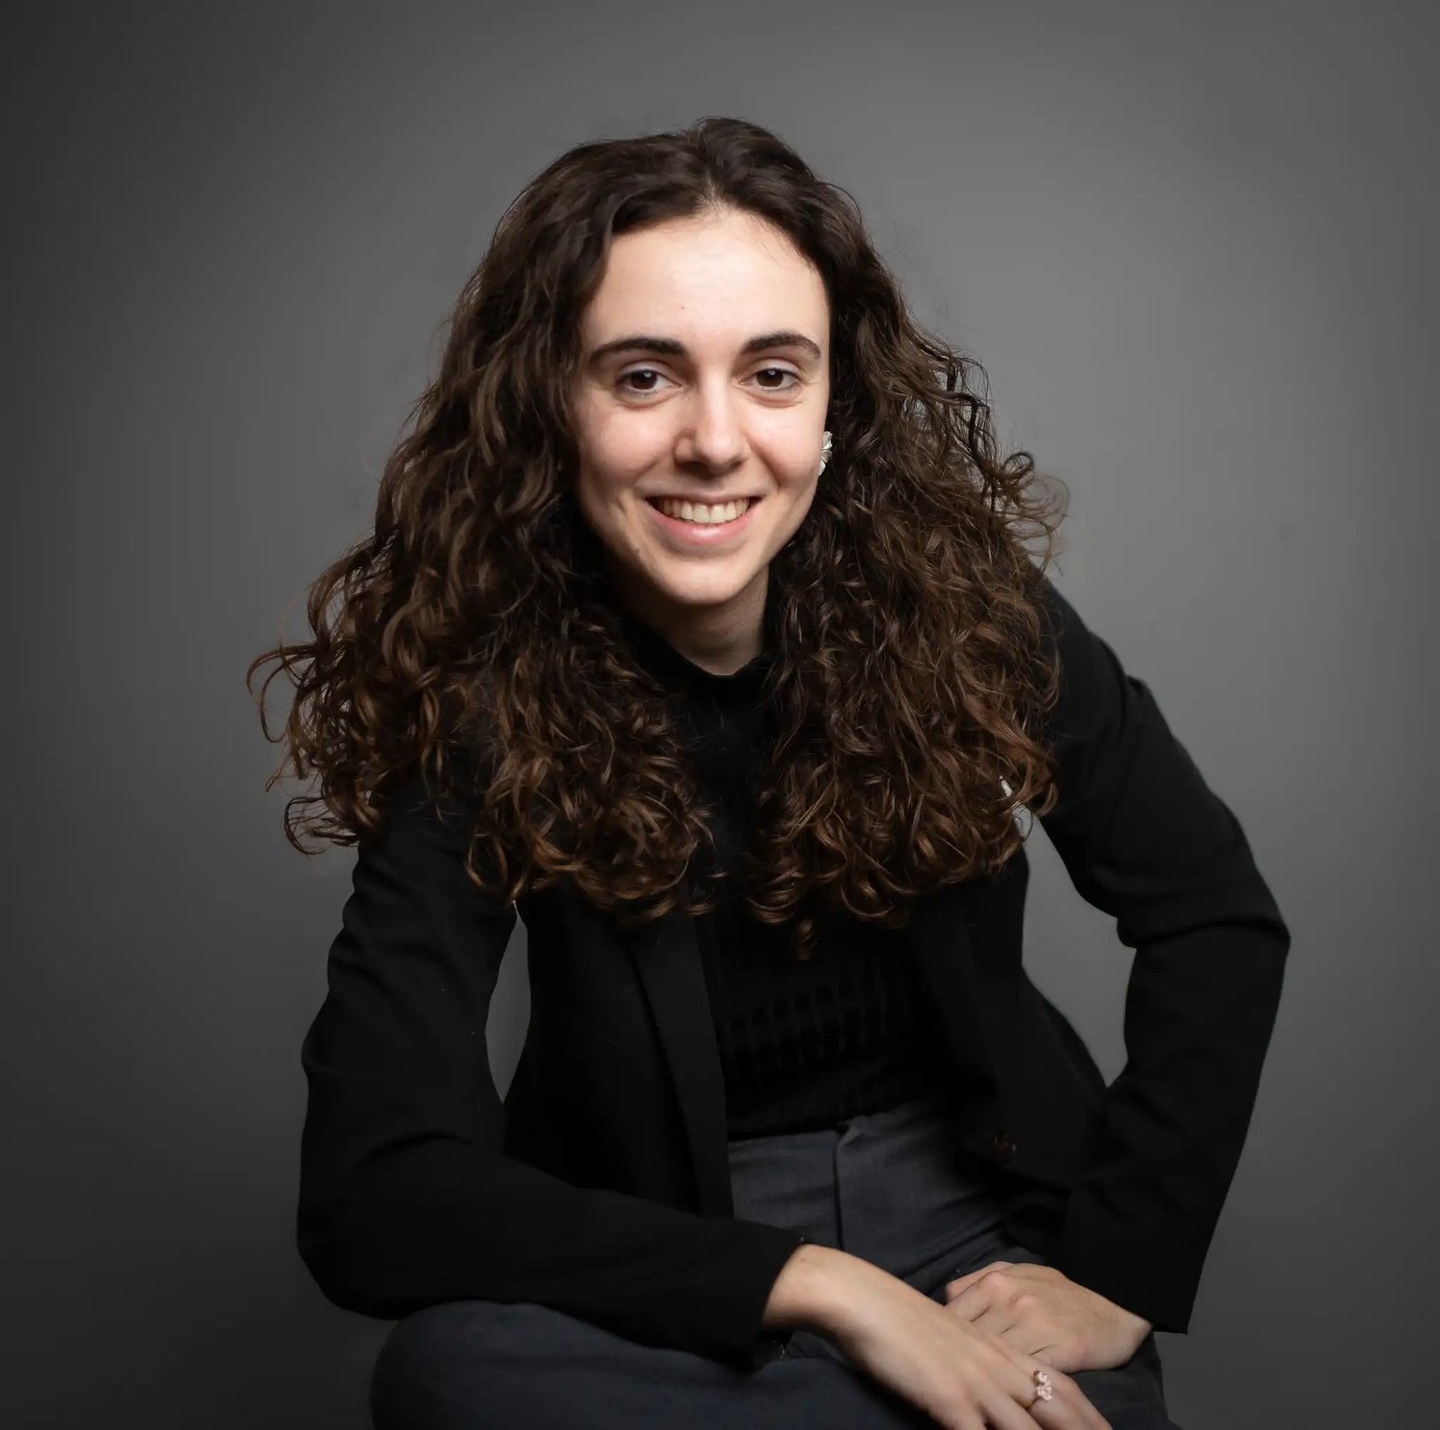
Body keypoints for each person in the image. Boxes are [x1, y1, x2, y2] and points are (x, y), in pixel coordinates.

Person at [249, 117, 1289, 1429]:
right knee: (450, 1383)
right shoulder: (484, 704)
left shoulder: (975, 621)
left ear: (835, 411)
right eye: (643, 377)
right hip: (663, 1269)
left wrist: (1120, 1270)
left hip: (976, 1249)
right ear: (548, 408)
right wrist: (818, 1286)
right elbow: (372, 1194)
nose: (715, 441)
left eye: (774, 374)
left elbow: (1216, 917)